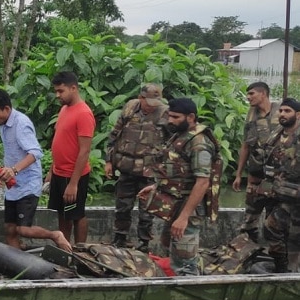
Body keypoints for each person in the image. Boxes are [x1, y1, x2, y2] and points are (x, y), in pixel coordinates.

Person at [0, 89, 72, 252]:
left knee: (23, 229)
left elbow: (36, 152)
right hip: (14, 185)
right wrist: (4, 173)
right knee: (10, 229)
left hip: (28, 184)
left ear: (7, 109)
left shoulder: (21, 124)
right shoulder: (3, 124)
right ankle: (16, 265)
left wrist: (14, 170)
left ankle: (55, 235)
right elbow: (12, 152)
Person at [137, 98, 219, 276]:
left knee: (185, 263)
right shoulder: (180, 135)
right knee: (174, 250)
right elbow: (178, 172)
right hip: (175, 202)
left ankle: (189, 294)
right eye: (169, 116)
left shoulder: (199, 144)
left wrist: (183, 217)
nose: (170, 120)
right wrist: (156, 187)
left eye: (175, 117)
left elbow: (202, 182)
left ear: (191, 117)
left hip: (189, 208)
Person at [104, 83, 169, 250]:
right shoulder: (130, 108)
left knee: (147, 212)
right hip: (126, 168)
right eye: (149, 102)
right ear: (141, 98)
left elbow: (172, 143)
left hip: (149, 172)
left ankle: (144, 244)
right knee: (122, 207)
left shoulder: (164, 113)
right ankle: (120, 240)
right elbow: (114, 134)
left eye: (156, 102)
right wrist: (109, 161)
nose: (152, 106)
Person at [46, 71, 95, 245]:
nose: (58, 95)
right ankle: (65, 247)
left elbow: (84, 151)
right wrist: (52, 169)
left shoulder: (84, 113)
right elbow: (61, 140)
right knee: (62, 213)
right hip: (59, 173)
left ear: (73, 88)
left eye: (61, 91)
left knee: (76, 214)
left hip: (73, 175)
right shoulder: (64, 109)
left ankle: (80, 250)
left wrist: (73, 184)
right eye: (56, 91)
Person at [232, 82, 281, 242]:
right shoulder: (251, 115)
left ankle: (274, 256)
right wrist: (239, 174)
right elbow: (245, 146)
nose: (248, 97)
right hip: (255, 176)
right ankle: (248, 251)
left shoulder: (281, 112)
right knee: (249, 220)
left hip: (277, 178)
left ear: (263, 94)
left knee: (275, 221)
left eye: (252, 93)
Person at [260, 98, 300, 272]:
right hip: (278, 193)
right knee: (273, 228)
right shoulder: (276, 134)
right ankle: (283, 269)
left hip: (296, 196)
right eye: (281, 110)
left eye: (287, 111)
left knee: (292, 236)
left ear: (298, 115)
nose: (282, 114)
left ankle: (290, 270)